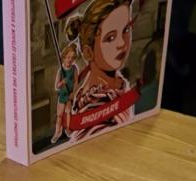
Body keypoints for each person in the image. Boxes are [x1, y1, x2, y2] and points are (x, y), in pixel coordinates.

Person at [66, 0, 134, 141]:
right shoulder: (91, 106)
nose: (122, 43)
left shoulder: (117, 82)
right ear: (88, 52)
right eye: (110, 38)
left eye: (126, 30)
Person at [51, 45, 79, 144]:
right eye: (68, 57)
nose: (70, 60)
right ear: (63, 58)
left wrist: (73, 93)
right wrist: (62, 82)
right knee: (59, 115)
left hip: (69, 95)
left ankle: (67, 129)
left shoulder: (74, 68)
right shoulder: (60, 71)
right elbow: (57, 86)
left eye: (72, 58)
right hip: (62, 95)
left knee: (68, 113)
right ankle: (57, 132)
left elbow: (76, 81)